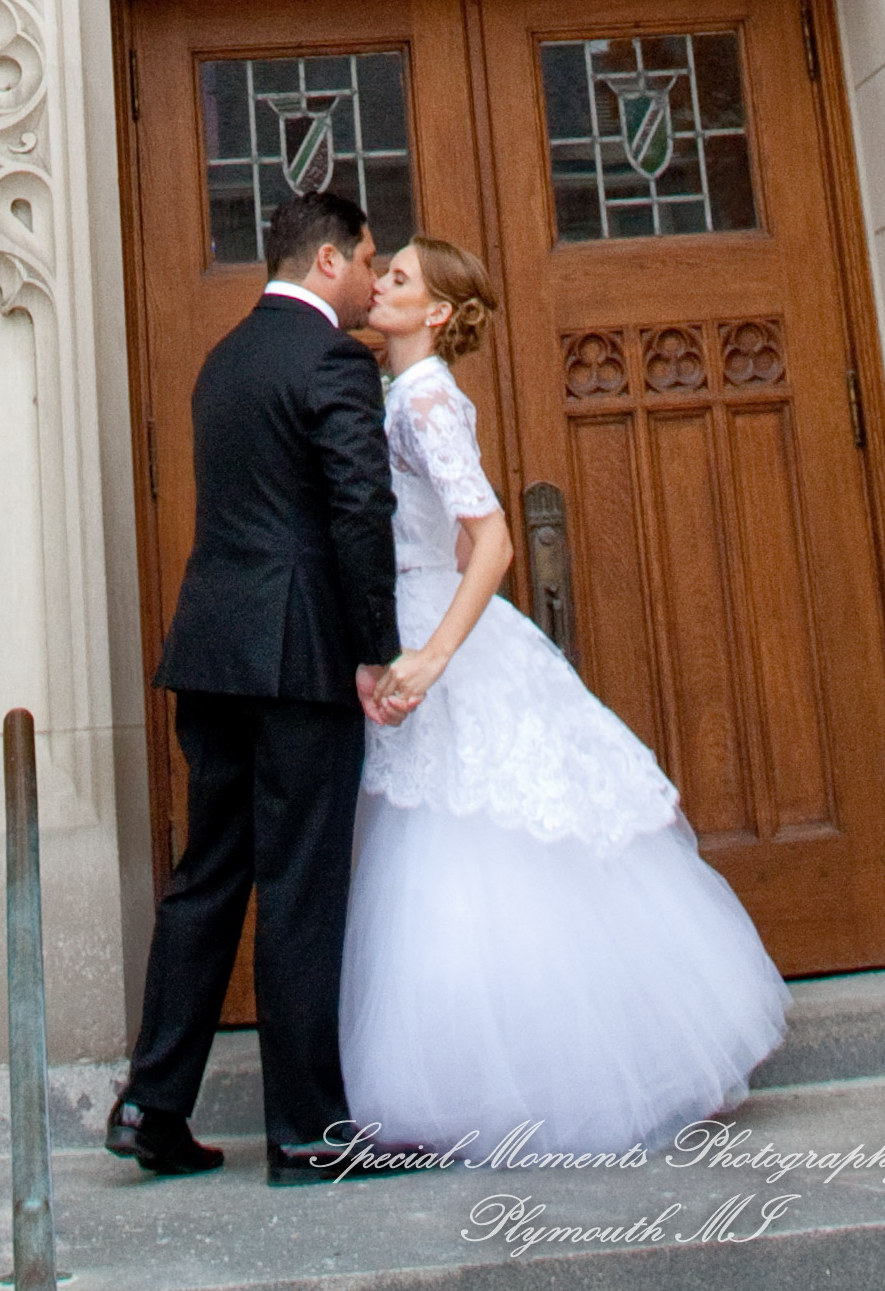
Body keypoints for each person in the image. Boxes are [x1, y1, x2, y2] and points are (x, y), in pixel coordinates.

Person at [339, 235, 791, 1157]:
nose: (378, 283)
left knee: (463, 840)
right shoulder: (404, 390)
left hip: (436, 634)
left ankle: (512, 1078)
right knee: (457, 839)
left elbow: (493, 540)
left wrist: (432, 654)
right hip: (420, 604)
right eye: (381, 271)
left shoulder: (423, 398)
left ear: (435, 312)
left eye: (398, 277)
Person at [106, 192, 418, 1187]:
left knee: (206, 878)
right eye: (366, 260)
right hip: (299, 658)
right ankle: (308, 1133)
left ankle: (151, 1107)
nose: (372, 279)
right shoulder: (332, 360)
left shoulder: (224, 359)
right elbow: (358, 507)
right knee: (298, 888)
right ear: (326, 262)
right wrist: (375, 649)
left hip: (212, 652)